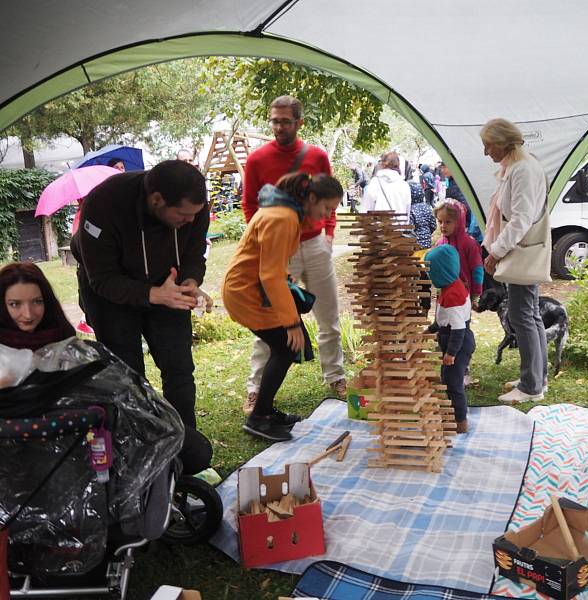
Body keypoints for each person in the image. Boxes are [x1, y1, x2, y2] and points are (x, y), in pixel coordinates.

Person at [0, 261, 212, 474]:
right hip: (62, 442)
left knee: (192, 448)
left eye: (37, 302)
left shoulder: (59, 337)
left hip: (108, 419)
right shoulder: (5, 356)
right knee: (186, 450)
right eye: (15, 304)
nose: (28, 314)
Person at [70, 160, 209, 428]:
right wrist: (155, 294)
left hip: (167, 285)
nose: (191, 220)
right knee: (127, 376)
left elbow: (194, 251)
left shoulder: (194, 206)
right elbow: (102, 279)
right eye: (183, 215)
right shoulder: (104, 204)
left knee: (179, 370)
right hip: (110, 294)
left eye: (195, 214)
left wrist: (190, 280)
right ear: (157, 200)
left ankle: (185, 445)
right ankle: (138, 446)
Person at [241, 95, 346, 411]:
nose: (279, 127)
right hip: (278, 250)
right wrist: (263, 240)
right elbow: (249, 204)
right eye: (274, 120)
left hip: (315, 245)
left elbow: (329, 197)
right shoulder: (257, 159)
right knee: (270, 318)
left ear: (299, 123)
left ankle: (335, 377)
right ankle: (256, 388)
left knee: (328, 315)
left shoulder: (316, 155)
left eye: (285, 121)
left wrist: (328, 233)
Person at [223, 173, 344, 442]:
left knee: (288, 346)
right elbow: (269, 275)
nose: (326, 217)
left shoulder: (287, 213)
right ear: (311, 198)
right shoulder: (283, 218)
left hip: (254, 291)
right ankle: (259, 418)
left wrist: (290, 293)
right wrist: (290, 322)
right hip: (247, 294)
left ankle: (264, 411)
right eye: (326, 208)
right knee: (287, 345)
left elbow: (272, 268)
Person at [480, 118, 550, 403]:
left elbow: (520, 220)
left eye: (488, 146)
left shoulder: (522, 170)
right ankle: (535, 378)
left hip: (520, 251)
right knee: (529, 315)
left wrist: (495, 252)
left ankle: (531, 386)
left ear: (501, 142)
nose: (486, 153)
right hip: (520, 250)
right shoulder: (520, 167)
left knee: (523, 316)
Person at [425, 245, 474, 434]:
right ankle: (455, 413)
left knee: (454, 383)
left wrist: (451, 354)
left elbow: (458, 328)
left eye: (432, 271)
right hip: (451, 339)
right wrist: (431, 329)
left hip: (458, 344)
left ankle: (460, 422)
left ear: (440, 271)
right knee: (447, 378)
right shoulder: (450, 287)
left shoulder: (453, 295)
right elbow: (442, 318)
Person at [433, 199, 484, 306]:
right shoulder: (439, 244)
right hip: (444, 296)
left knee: (461, 322)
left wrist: (476, 294)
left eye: (448, 222)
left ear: (459, 221)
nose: (443, 226)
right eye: (440, 221)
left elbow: (477, 269)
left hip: (464, 297)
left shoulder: (469, 244)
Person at [361, 151, 412, 219]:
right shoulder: (405, 185)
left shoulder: (375, 182)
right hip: (399, 227)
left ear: (382, 164)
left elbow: (366, 209)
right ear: (398, 164)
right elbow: (407, 211)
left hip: (380, 226)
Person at [442, 163, 483, 243]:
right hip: (465, 229)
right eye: (442, 167)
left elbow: (470, 208)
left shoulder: (460, 184)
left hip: (470, 230)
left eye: (445, 167)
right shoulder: (453, 183)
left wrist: (471, 232)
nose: (442, 170)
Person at [409, 182, 437, 250]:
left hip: (416, 244)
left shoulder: (410, 210)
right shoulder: (427, 207)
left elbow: (410, 228)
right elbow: (433, 225)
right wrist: (426, 234)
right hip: (428, 242)